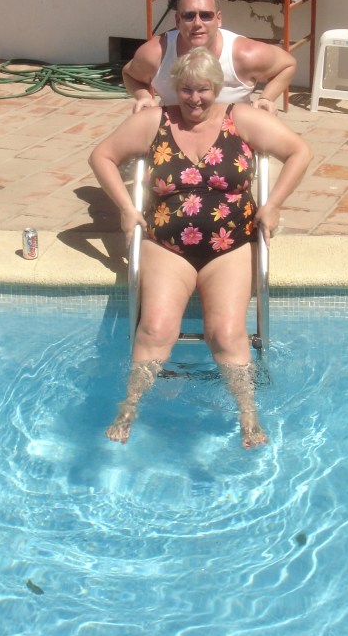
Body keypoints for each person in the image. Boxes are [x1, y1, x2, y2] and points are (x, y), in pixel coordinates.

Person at [89, 47, 312, 449]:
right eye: (187, 90)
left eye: (204, 89)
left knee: (225, 333)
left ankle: (247, 413)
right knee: (156, 327)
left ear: (218, 88)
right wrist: (126, 208)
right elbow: (101, 156)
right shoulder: (155, 121)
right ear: (175, 89)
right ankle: (130, 407)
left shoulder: (240, 119)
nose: (195, 99)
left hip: (230, 246)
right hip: (168, 246)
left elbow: (300, 151)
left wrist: (274, 204)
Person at [122, 0, 297, 115]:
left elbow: (287, 64)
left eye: (206, 15)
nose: (197, 23)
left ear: (218, 19)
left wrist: (267, 98)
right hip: (174, 135)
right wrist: (144, 97)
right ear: (177, 21)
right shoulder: (156, 53)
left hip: (233, 137)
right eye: (189, 16)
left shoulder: (244, 55)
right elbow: (129, 74)